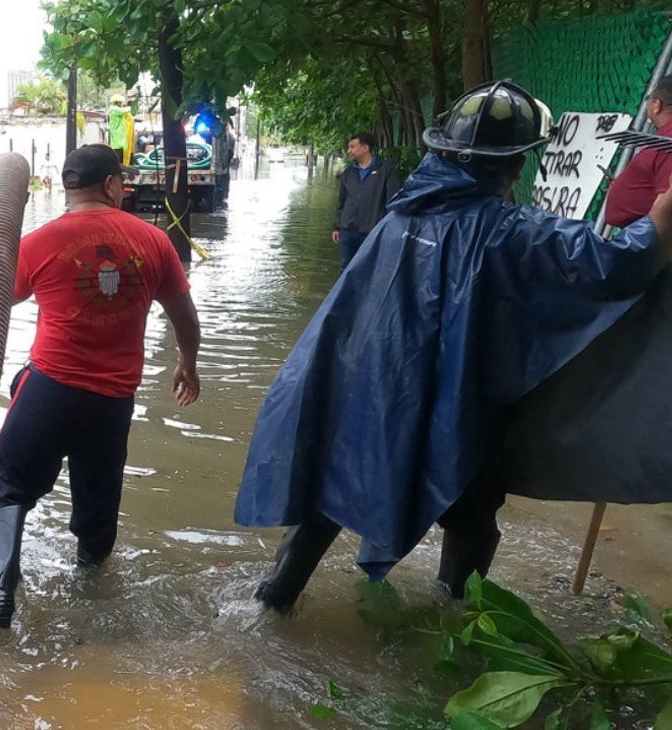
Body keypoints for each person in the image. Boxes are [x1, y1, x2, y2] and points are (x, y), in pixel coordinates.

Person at [234, 81, 672, 614]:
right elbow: (617, 264)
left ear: (443, 150)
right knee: (469, 517)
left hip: (363, 394)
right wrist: (664, 215)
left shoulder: (400, 216)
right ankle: (452, 625)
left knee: (327, 497)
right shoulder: (513, 232)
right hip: (455, 410)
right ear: (514, 164)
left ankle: (270, 605)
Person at [0, 144, 202, 630]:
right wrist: (188, 363)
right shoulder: (155, 242)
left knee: (10, 488)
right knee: (98, 515)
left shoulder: (40, 242)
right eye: (124, 182)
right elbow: (185, 315)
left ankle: (0, 591)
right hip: (111, 404)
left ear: (69, 189)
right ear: (111, 186)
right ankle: (93, 603)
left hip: (48, 392)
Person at [604, 76, 672, 228]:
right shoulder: (664, 136)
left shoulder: (668, 141)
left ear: (656, 105)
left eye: (649, 98)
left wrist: (644, 243)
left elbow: (666, 201)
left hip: (646, 239)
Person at [332, 132, 401, 267]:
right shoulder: (348, 173)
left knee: (368, 268)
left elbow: (393, 200)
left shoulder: (385, 169)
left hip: (372, 231)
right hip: (348, 230)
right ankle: (347, 289)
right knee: (346, 267)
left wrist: (386, 228)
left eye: (352, 147)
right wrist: (337, 226)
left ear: (365, 148)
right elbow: (342, 201)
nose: (348, 151)